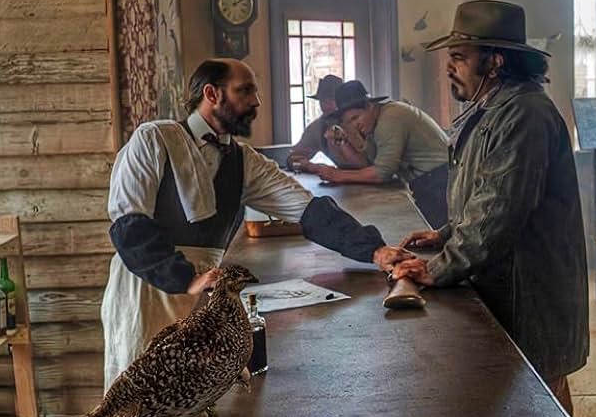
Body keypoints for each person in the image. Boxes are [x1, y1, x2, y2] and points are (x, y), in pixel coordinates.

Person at [102, 58, 411, 392]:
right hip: (145, 291)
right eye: (244, 90)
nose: (256, 102)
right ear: (212, 93)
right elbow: (128, 225)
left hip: (204, 293)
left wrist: (375, 251)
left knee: (190, 401)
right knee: (134, 399)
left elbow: (308, 210)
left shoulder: (243, 161)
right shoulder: (154, 140)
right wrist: (185, 278)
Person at [392, 0, 588, 415]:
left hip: (531, 287)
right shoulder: (495, 108)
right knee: (528, 397)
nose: (450, 67)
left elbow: (500, 211)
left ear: (495, 62)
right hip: (511, 280)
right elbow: (486, 192)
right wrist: (445, 234)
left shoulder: (524, 114)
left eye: (460, 58)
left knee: (546, 403)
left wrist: (436, 268)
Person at [315, 80, 450, 229]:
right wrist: (342, 141)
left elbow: (381, 173)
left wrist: (337, 175)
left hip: (441, 181)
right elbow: (366, 165)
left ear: (369, 106)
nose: (354, 125)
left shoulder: (390, 118)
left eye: (356, 117)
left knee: (439, 239)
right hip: (426, 182)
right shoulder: (374, 123)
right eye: (349, 122)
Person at [286, 74, 372, 174]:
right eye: (323, 100)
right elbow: (292, 158)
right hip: (345, 184)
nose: (327, 104)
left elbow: (365, 165)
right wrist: (309, 166)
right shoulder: (318, 128)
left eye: (332, 99)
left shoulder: (361, 122)